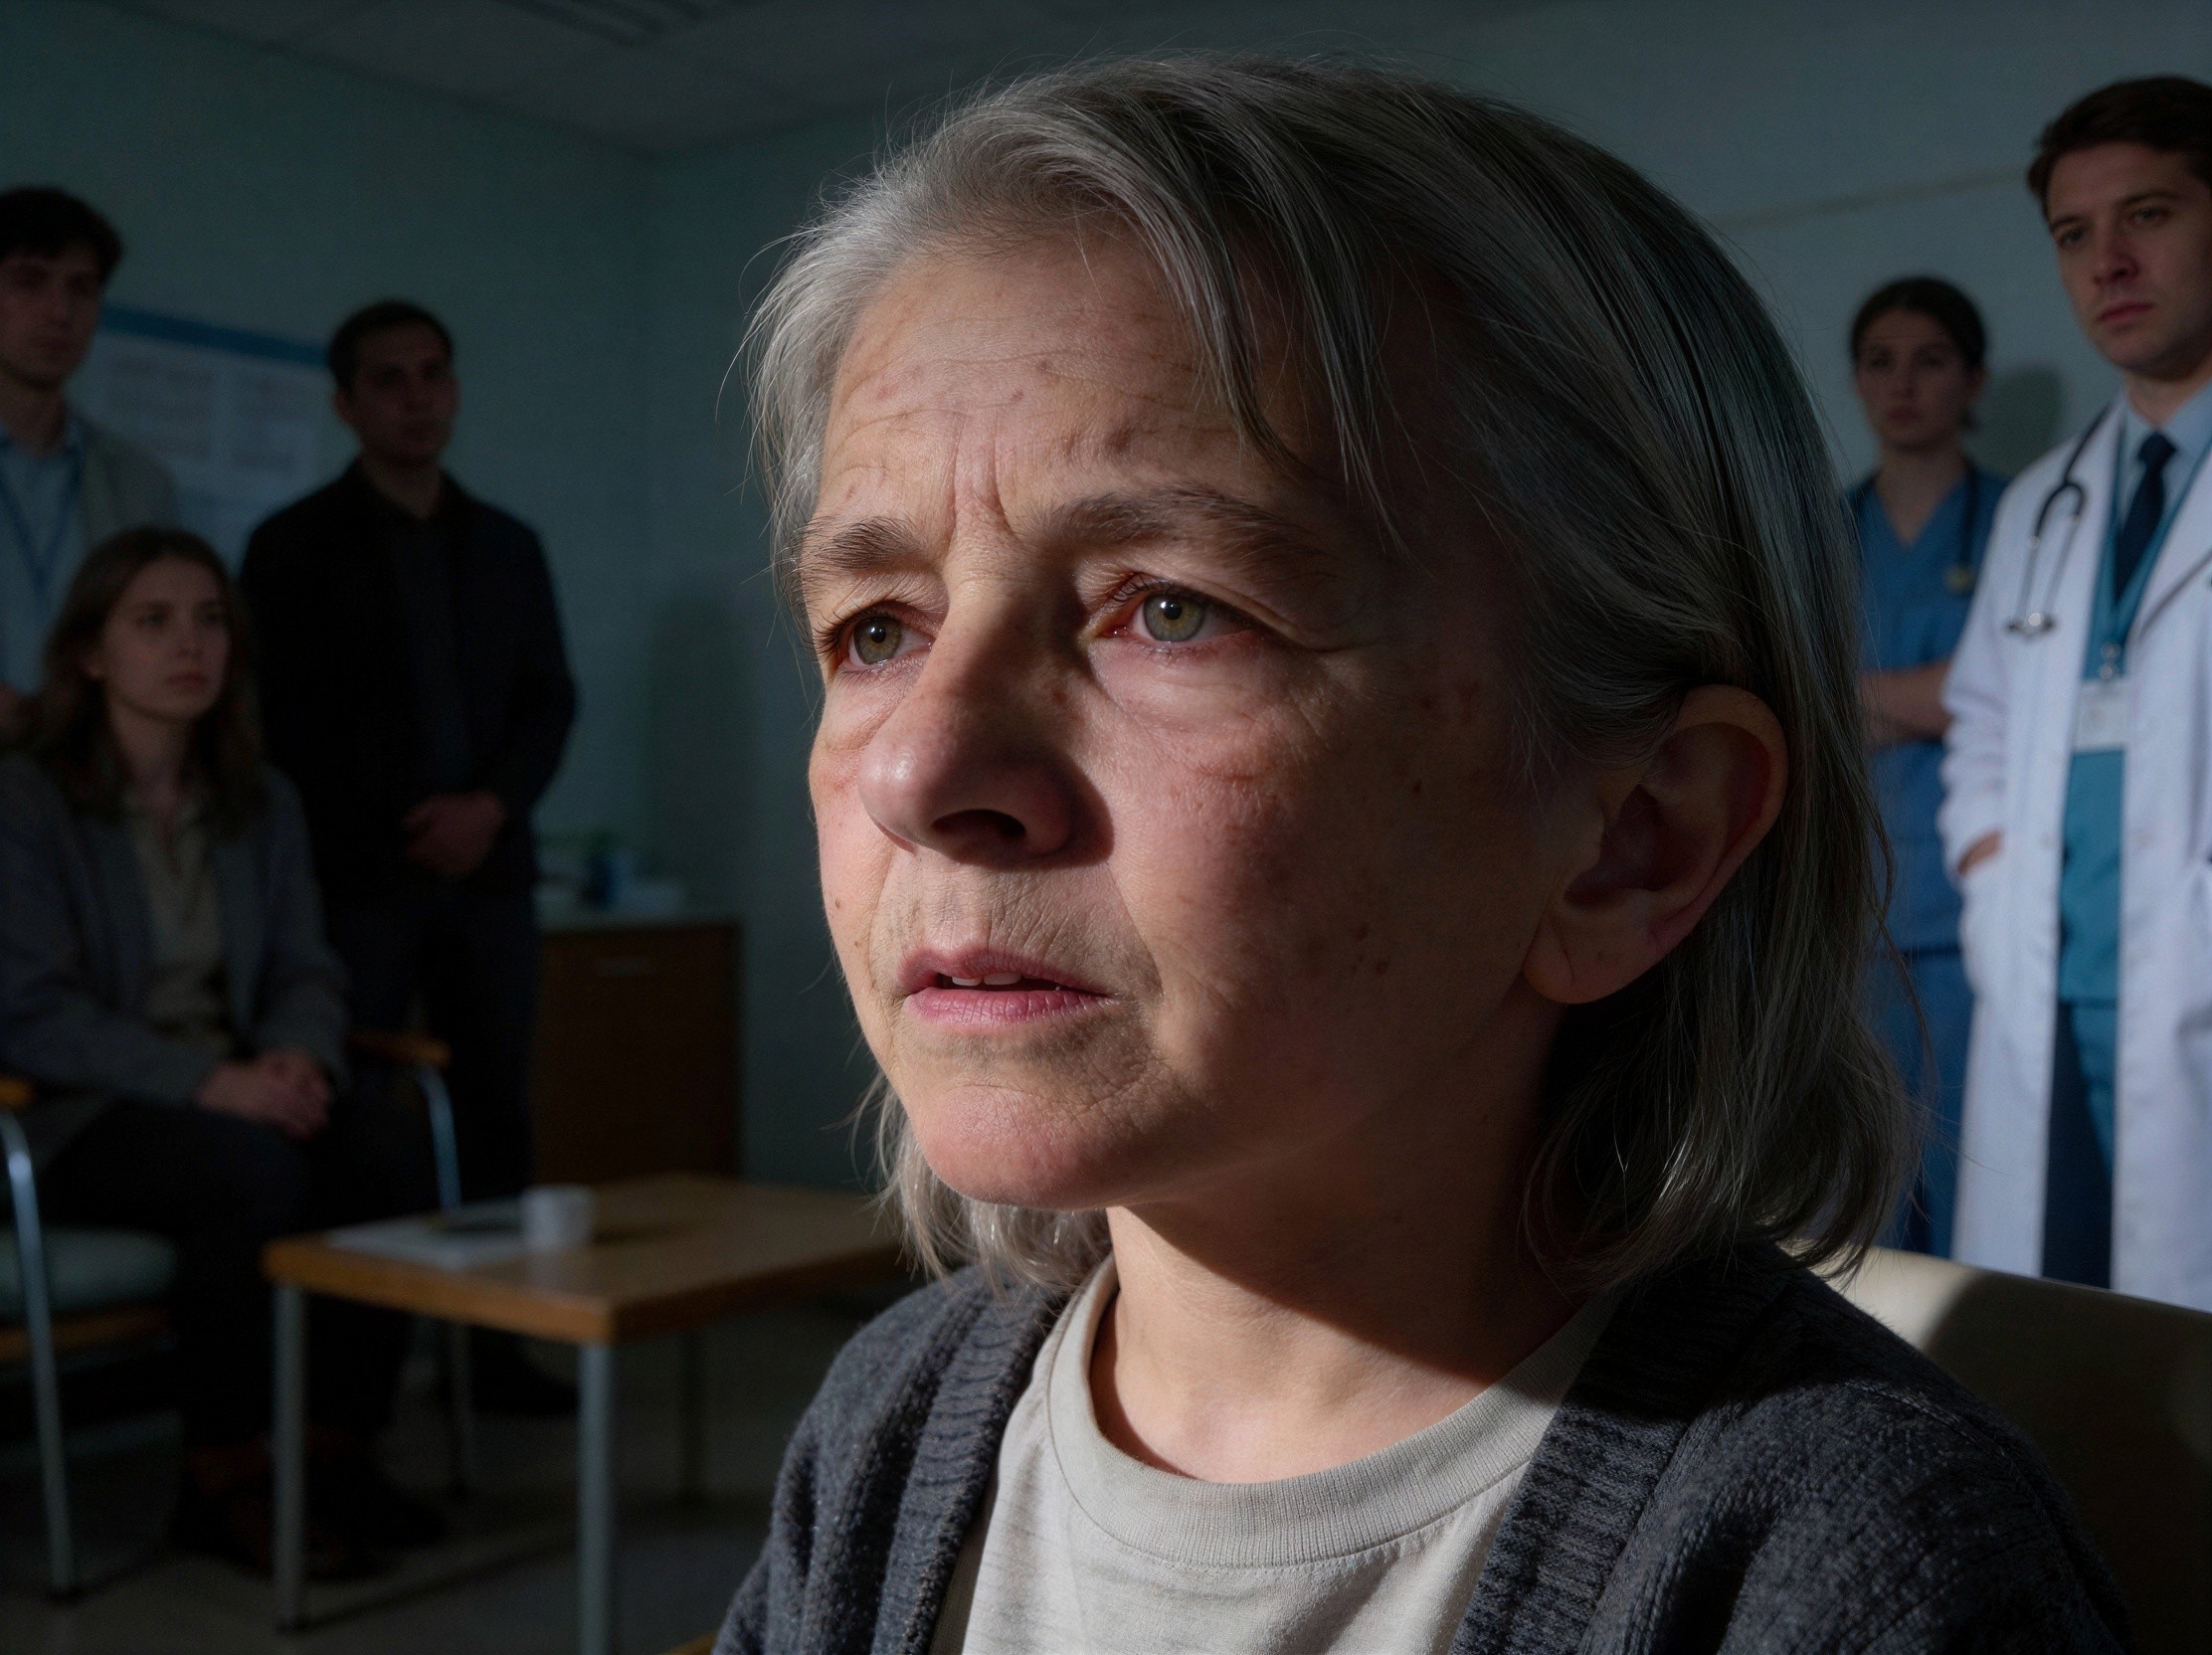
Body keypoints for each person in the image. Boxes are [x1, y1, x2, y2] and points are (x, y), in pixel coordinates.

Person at [719, 58, 2122, 1654]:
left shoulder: (1844, 1569)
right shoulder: (894, 1425)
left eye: (1172, 608)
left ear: (1634, 841)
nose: (918, 768)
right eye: (876, 627)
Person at [0, 528, 441, 1574]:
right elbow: (30, 1009)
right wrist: (212, 1082)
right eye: (151, 621)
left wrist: (296, 1056)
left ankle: (334, 1456)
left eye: (206, 620)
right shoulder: (27, 799)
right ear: (92, 652)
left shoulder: (258, 798)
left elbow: (304, 965)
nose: (187, 644)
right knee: (249, 1174)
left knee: (381, 1152)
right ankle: (222, 1477)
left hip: (238, 1084)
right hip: (81, 1109)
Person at [241, 300, 576, 1409]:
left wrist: (488, 806)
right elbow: (287, 727)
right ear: (346, 403)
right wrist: (413, 820)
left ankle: (492, 1355)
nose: (416, 395)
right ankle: (361, 1374)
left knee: (495, 1116)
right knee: (370, 1124)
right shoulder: (290, 548)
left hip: (487, 882)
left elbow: (548, 703)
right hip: (364, 886)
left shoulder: (507, 543)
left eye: (433, 373)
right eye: (388, 378)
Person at [1943, 77, 2212, 1305]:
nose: (2107, 260)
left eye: (2146, 215)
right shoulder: (2042, 505)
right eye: (2071, 234)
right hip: (2049, 974)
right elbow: (1981, 721)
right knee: (2066, 1339)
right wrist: (1991, 859)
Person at [1845, 276, 2005, 1258]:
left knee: (1981, 1203)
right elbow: (1785, 703)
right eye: (1879, 360)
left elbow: (2013, 694)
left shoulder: (2021, 524)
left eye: (1930, 359)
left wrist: (1850, 696)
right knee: (1857, 1211)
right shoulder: (1820, 535)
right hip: (1850, 926)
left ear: (1971, 380)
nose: (1902, 384)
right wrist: (1942, 690)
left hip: (1968, 924)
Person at [0, 187, 176, 734]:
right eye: (30, 282)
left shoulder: (140, 485)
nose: (60, 312)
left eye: (81, 289)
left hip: (85, 786)